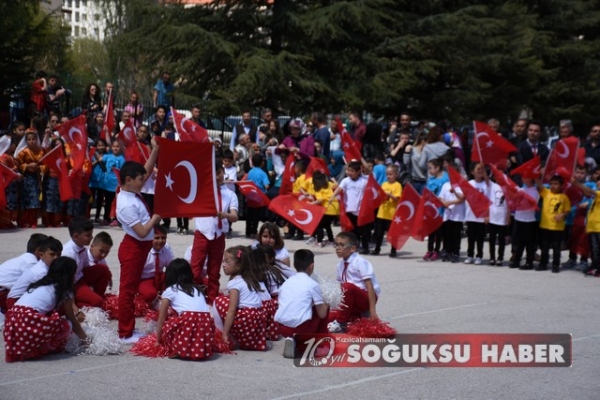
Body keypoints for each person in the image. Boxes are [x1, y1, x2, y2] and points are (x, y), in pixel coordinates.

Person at [115, 139, 162, 343]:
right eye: (140, 180)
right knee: (127, 290)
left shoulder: (131, 191)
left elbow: (146, 170)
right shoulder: (125, 203)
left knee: (130, 289)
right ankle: (125, 332)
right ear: (128, 179)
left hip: (140, 248)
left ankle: (128, 329)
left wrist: (155, 149)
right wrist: (156, 218)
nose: (144, 182)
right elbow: (142, 232)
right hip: (134, 247)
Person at [3, 257, 88, 362]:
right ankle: (45, 346)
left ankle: (30, 345)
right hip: (27, 320)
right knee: (66, 325)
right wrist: (86, 340)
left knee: (52, 317)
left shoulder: (41, 283)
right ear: (69, 274)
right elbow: (72, 320)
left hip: (12, 320)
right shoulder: (65, 290)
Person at [190, 161, 238, 303]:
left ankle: (212, 301)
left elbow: (235, 216)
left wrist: (225, 215)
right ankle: (192, 298)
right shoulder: (202, 190)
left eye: (219, 173)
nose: (217, 177)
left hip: (218, 236)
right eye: (213, 174)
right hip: (202, 234)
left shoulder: (230, 194)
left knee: (214, 271)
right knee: (195, 269)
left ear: (223, 172)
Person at [153, 259, 214, 360]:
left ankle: (179, 348)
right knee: (190, 321)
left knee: (170, 321)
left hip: (189, 320)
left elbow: (161, 318)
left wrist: (158, 340)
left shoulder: (170, 290)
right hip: (206, 322)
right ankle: (197, 348)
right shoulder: (197, 289)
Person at [275, 249, 328, 358]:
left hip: (282, 327)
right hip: (302, 328)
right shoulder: (313, 284)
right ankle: (320, 345)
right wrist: (325, 304)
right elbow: (322, 314)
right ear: (311, 266)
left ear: (294, 265)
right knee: (324, 306)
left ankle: (292, 338)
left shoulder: (286, 283)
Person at [213, 246, 267, 351]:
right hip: (257, 320)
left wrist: (225, 333)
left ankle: (219, 334)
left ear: (238, 266)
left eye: (227, 262)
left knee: (219, 301)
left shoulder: (235, 283)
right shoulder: (250, 278)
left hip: (245, 320)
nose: (223, 265)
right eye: (223, 261)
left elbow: (232, 310)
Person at [328, 232, 380, 333]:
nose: (338, 248)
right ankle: (352, 317)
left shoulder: (360, 262)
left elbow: (370, 287)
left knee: (347, 286)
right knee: (327, 316)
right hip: (350, 299)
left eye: (342, 245)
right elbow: (340, 288)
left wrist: (372, 311)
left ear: (352, 248)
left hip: (365, 298)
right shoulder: (340, 265)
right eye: (336, 244)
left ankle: (341, 322)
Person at [6, 236, 62, 307]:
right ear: (41, 255)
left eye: (59, 255)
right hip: (15, 301)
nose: (56, 258)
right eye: (52, 254)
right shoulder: (41, 272)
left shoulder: (48, 266)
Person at [329, 160, 369, 254]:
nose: (349, 173)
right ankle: (355, 246)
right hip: (349, 209)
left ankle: (365, 247)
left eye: (352, 171)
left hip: (360, 210)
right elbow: (339, 188)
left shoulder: (364, 181)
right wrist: (332, 196)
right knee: (353, 230)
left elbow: (370, 190)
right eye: (348, 170)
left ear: (358, 171)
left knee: (363, 230)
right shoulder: (346, 180)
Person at [536, 175, 570, 273]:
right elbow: (539, 184)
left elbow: (567, 210)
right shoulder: (546, 193)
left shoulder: (564, 197)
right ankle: (543, 263)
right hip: (545, 225)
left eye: (556, 184)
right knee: (544, 247)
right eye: (551, 184)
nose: (553, 186)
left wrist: (562, 215)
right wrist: (535, 174)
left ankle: (555, 265)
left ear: (561, 185)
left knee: (556, 247)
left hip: (557, 227)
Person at [137, 224, 174, 306]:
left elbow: (171, 268)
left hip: (159, 277)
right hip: (144, 279)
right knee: (150, 294)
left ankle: (163, 296)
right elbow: (133, 272)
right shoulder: (144, 252)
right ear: (150, 238)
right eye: (157, 238)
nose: (160, 241)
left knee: (175, 277)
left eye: (163, 238)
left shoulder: (166, 250)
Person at [571, 175, 600, 276]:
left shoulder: (598, 194)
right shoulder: (596, 196)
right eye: (598, 180)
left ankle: (598, 268)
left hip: (598, 227)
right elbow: (588, 192)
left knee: (597, 249)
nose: (599, 182)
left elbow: (589, 190)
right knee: (594, 249)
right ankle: (595, 266)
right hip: (592, 227)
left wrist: (575, 183)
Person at [17, 129, 46, 228]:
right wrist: (28, 166)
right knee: (26, 200)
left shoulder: (41, 151)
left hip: (37, 178)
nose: (31, 141)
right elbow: (18, 164)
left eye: (33, 139)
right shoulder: (23, 152)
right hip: (26, 179)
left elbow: (45, 163)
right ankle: (25, 221)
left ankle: (33, 221)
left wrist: (38, 168)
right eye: (29, 139)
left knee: (35, 200)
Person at [464, 163, 491, 265]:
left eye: (482, 169)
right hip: (471, 214)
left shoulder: (487, 184)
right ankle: (470, 255)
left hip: (482, 215)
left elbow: (489, 199)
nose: (480, 171)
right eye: (478, 169)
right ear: (472, 172)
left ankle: (479, 256)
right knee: (471, 237)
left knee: (480, 237)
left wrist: (487, 215)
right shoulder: (469, 183)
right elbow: (464, 196)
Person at [372, 164, 402, 257]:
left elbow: (397, 198)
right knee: (379, 233)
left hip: (392, 214)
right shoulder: (384, 184)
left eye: (391, 174)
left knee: (393, 233)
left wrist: (390, 195)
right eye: (387, 174)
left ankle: (393, 250)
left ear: (396, 175)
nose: (388, 176)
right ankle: (377, 249)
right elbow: (379, 196)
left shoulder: (398, 185)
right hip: (382, 212)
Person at [511, 178, 541, 270]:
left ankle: (529, 262)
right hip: (519, 218)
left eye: (526, 177)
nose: (523, 179)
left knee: (529, 243)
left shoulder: (535, 191)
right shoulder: (521, 189)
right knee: (519, 242)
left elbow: (533, 203)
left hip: (529, 220)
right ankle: (517, 260)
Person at [423, 158, 448, 261]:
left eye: (430, 168)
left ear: (437, 168)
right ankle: (429, 250)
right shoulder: (430, 180)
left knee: (438, 232)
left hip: (440, 210)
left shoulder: (445, 179)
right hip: (431, 210)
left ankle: (437, 250)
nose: (429, 170)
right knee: (431, 231)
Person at [438, 178, 466, 263]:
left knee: (456, 234)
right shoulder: (445, 185)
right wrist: (444, 203)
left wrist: (454, 193)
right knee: (447, 234)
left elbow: (462, 198)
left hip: (458, 215)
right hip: (447, 214)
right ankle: (447, 251)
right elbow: (440, 197)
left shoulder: (461, 185)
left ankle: (456, 253)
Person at [308, 171, 339, 247]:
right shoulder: (328, 184)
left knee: (319, 225)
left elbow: (320, 200)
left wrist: (311, 203)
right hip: (335, 208)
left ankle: (319, 241)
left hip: (327, 209)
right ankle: (331, 240)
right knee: (327, 224)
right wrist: (334, 180)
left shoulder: (318, 188)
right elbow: (337, 186)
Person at [98, 140, 125, 226]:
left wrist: (120, 183)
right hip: (107, 184)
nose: (115, 148)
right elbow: (99, 159)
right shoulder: (108, 156)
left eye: (117, 147)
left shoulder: (122, 159)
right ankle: (106, 218)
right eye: (114, 146)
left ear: (120, 148)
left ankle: (116, 219)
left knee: (117, 203)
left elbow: (122, 172)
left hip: (116, 184)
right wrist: (94, 151)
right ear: (111, 147)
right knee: (107, 202)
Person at [245, 153, 269, 239]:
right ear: (262, 163)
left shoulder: (250, 172)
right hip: (259, 197)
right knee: (256, 216)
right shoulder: (263, 173)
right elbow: (266, 185)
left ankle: (247, 232)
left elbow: (245, 181)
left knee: (249, 215)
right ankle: (253, 231)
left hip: (250, 196)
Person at [487, 181, 510, 266]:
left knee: (501, 239)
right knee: (492, 238)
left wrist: (508, 216)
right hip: (493, 217)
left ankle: (500, 257)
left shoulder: (508, 186)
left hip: (502, 217)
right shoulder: (492, 185)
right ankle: (492, 257)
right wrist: (487, 215)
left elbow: (509, 203)